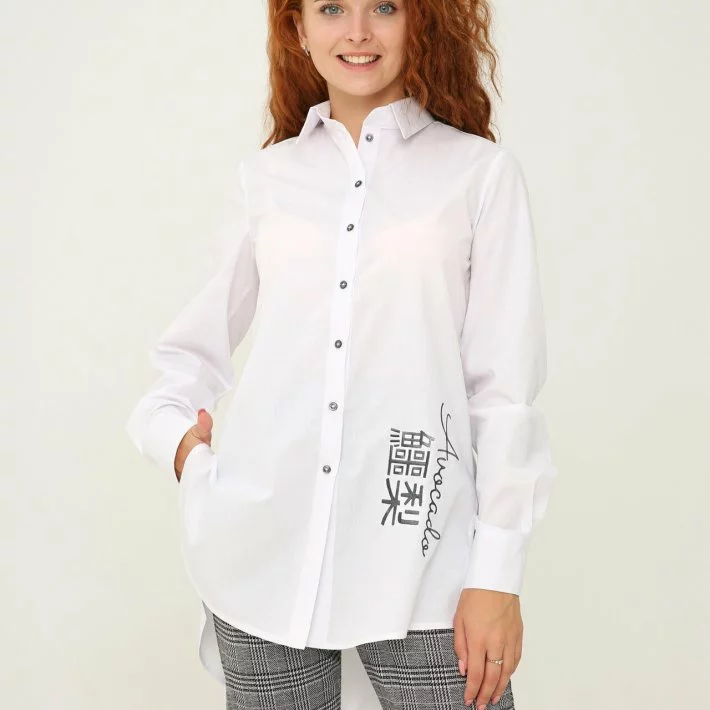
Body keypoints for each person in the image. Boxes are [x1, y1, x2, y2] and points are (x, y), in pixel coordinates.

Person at [125, 1, 558, 708]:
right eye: (331, 8)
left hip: (420, 552)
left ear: (419, 21)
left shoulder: (479, 176)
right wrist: (180, 447)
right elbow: (186, 357)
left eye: (383, 6)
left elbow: (502, 391)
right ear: (298, 28)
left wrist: (497, 575)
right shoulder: (266, 180)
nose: (357, 31)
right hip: (261, 554)